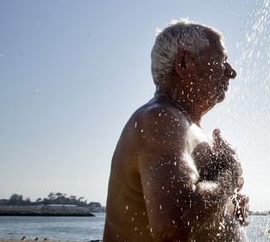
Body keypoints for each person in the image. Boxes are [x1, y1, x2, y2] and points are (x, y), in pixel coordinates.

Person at [103, 20, 249, 241]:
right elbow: (174, 225)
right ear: (184, 63)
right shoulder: (160, 119)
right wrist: (231, 173)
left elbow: (198, 201)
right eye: (222, 61)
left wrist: (229, 207)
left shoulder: (184, 126)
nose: (231, 72)